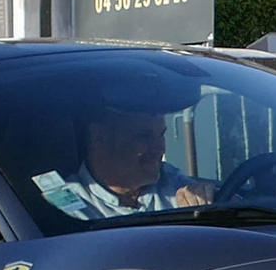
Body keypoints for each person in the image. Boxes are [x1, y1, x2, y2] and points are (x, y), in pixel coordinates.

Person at [31, 72, 219, 220]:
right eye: (144, 136)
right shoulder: (66, 206)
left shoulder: (170, 181)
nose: (159, 149)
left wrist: (209, 199)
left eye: (161, 135)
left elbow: (233, 211)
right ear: (99, 136)